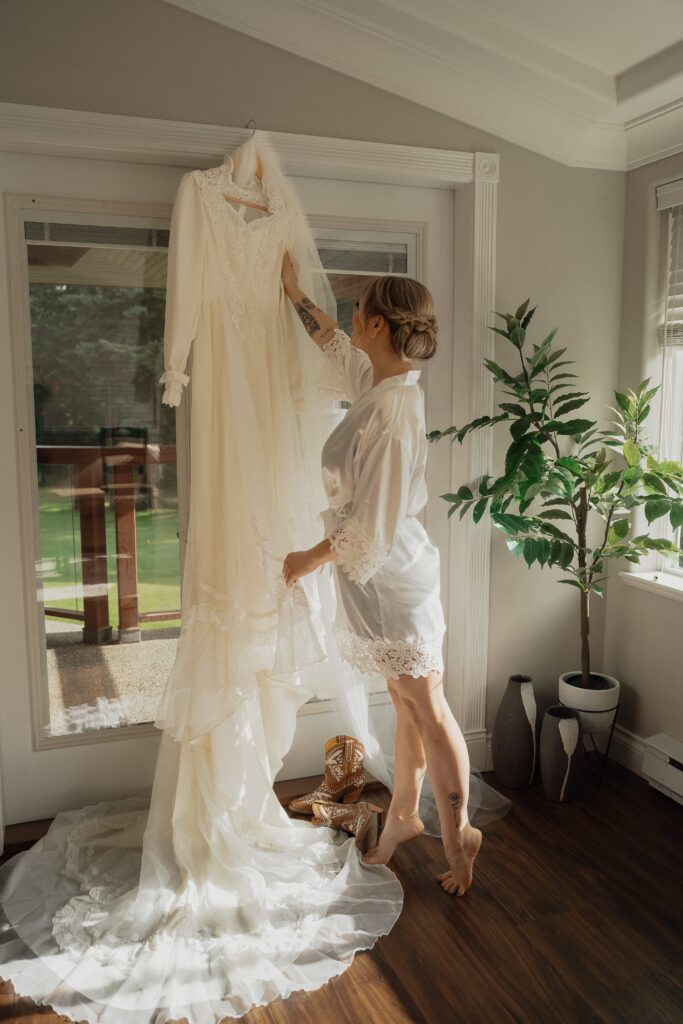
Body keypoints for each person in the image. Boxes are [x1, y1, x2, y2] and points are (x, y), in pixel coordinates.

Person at [280, 253, 482, 897]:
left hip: (393, 577)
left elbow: (371, 526)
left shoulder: (395, 414)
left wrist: (305, 559)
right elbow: (334, 344)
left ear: (375, 324)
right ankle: (403, 818)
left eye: (357, 308)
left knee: (428, 706)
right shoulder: (378, 379)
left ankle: (459, 836)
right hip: (376, 580)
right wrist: (294, 294)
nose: (349, 318)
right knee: (405, 701)